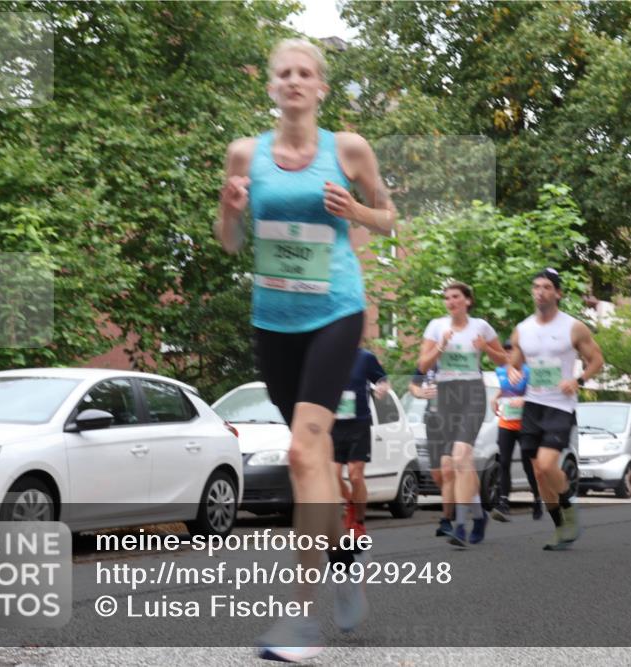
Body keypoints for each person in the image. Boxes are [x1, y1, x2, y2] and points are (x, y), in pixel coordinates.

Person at [214, 38, 396, 662]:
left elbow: (389, 217)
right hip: (274, 320)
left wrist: (358, 211)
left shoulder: (347, 149)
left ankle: (298, 618)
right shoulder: (246, 153)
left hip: (335, 311)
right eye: (283, 73)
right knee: (310, 464)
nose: (293, 81)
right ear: (271, 87)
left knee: (301, 450)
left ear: (320, 87)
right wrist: (228, 208)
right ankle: (343, 560)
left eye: (305, 73)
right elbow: (230, 243)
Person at [508, 268, 604, 551]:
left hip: (560, 406)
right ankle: (560, 527)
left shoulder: (573, 327)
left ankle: (569, 509)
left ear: (558, 293)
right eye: (536, 286)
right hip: (532, 404)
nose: (541, 291)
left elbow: (597, 360)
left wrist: (578, 380)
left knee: (548, 464)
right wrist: (513, 372)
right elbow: (514, 362)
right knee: (538, 472)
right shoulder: (522, 329)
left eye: (547, 287)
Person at [418, 282, 507, 548]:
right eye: (446, 298)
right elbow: (422, 365)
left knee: (459, 456)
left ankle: (459, 525)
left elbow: (505, 360)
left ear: (467, 300)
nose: (450, 301)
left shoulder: (481, 327)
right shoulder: (436, 326)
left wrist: (486, 348)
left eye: (456, 297)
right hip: (445, 395)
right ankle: (479, 517)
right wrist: (442, 346)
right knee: (454, 464)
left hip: (472, 393)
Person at [334, 348, 389, 538]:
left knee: (355, 476)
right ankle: (351, 502)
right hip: (333, 425)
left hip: (359, 424)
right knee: (332, 476)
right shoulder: (324, 357)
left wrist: (382, 388)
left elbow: (382, 379)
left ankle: (358, 523)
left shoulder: (365, 358)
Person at [490, 341, 542, 521]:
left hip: (525, 425)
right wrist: (495, 398)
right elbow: (505, 389)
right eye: (506, 353)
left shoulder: (528, 371)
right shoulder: (501, 371)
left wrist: (524, 399)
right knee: (504, 462)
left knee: (529, 465)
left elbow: (538, 393)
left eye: (511, 353)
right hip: (506, 423)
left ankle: (537, 499)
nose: (508, 356)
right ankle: (503, 503)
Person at [409, 365, 456, 535]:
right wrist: (420, 392)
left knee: (447, 468)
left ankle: (446, 520)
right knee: (436, 473)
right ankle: (456, 501)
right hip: (433, 422)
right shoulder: (428, 362)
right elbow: (413, 385)